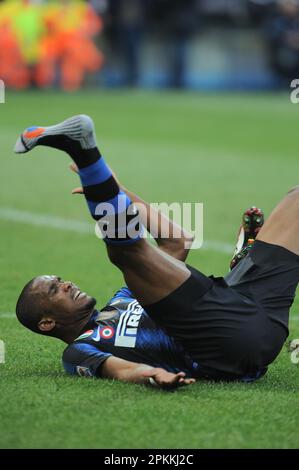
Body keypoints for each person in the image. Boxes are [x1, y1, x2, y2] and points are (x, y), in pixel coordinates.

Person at [14, 115, 298, 389]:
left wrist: (117, 190)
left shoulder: (124, 298)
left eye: (59, 280)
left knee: (295, 197)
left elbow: (179, 241)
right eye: (54, 290)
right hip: (228, 346)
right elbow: (121, 369)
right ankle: (82, 150)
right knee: (127, 256)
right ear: (47, 322)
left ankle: (243, 268)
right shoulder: (80, 349)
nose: (66, 284)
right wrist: (151, 375)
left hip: (251, 311)